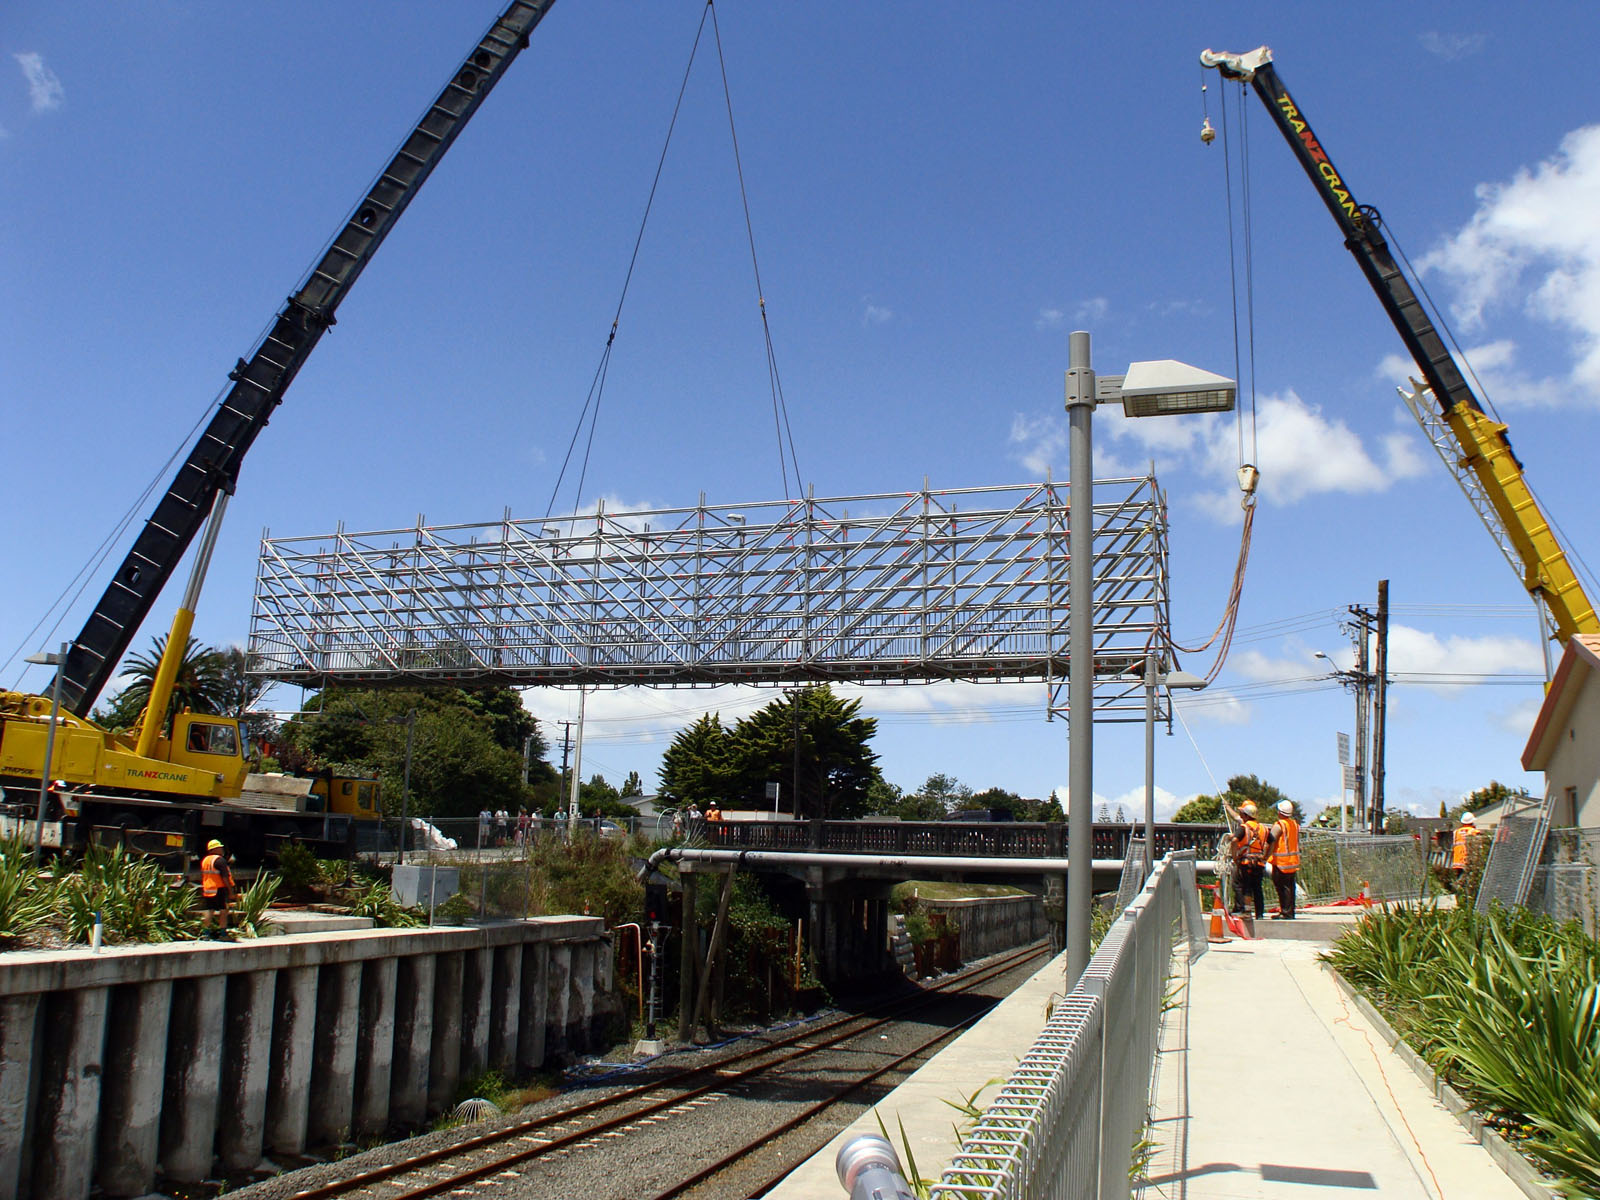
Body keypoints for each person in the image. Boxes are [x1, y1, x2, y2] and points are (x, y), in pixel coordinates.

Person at [1227, 799, 1268, 919]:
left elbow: (1235, 840)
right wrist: (1265, 856)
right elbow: (1272, 841)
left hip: (1246, 862)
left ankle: (1245, 911)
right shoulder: (1263, 828)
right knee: (1257, 888)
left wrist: (1235, 856)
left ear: (1245, 815)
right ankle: (1259, 914)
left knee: (1244, 887)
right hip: (1259, 862)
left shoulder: (1244, 827)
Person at [1266, 800, 1300, 919]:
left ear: (1280, 812)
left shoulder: (1279, 825)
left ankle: (1285, 912)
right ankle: (1290, 911)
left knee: (1282, 888)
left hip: (1281, 863)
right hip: (1292, 862)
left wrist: (1264, 856)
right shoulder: (1294, 824)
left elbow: (1270, 841)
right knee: (1290, 888)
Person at [200, 838, 237, 933]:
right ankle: (223, 933)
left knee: (209, 910)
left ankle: (205, 933)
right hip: (218, 888)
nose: (221, 849)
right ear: (214, 849)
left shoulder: (206, 860)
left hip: (208, 889)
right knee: (223, 911)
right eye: (219, 848)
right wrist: (231, 892)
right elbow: (225, 877)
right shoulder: (219, 860)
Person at [1450, 812, 1481, 890]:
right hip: (1468, 860)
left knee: (1460, 882)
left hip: (1457, 862)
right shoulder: (1474, 831)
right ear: (1472, 822)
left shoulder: (1456, 832)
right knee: (1469, 882)